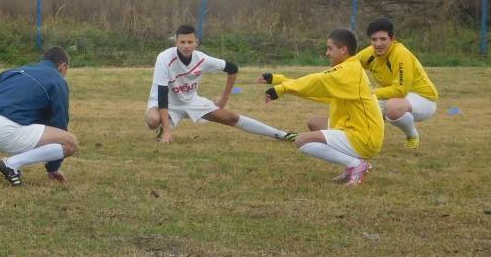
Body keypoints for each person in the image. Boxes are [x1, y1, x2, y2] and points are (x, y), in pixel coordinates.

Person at [259, 28, 384, 186]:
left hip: (365, 138)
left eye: (330, 48)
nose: (327, 53)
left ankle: (356, 164)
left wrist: (282, 89)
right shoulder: (349, 69)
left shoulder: (349, 71)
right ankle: (353, 164)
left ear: (343, 49)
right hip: (357, 129)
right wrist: (278, 80)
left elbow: (317, 81)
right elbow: (316, 88)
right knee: (315, 123)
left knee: (302, 141)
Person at [144, 24, 297, 145]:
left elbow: (232, 69)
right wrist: (167, 131)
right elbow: (162, 95)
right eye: (182, 42)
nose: (186, 46)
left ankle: (283, 135)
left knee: (231, 118)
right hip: (166, 102)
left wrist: (224, 97)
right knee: (152, 120)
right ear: (176, 42)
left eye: (190, 42)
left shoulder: (202, 59)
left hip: (191, 101)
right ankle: (164, 126)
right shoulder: (164, 58)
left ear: (196, 42)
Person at [0, 46, 78, 186]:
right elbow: (59, 123)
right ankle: (11, 164)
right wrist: (53, 167)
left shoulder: (15, 70)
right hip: (3, 128)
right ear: (63, 67)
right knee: (69, 143)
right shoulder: (57, 80)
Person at [355, 17, 438, 149]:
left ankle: (412, 135)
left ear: (392, 39)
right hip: (394, 97)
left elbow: (400, 91)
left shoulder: (400, 54)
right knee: (359, 106)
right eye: (374, 39)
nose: (378, 44)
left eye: (383, 39)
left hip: (423, 99)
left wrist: (368, 92)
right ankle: (367, 140)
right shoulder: (370, 52)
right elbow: (349, 66)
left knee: (392, 107)